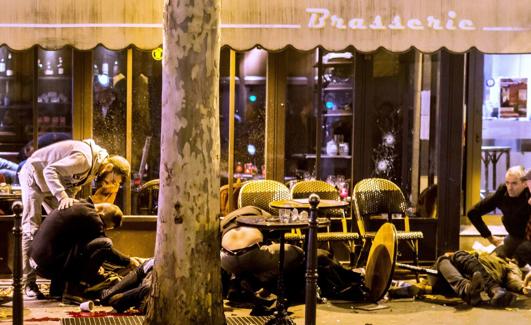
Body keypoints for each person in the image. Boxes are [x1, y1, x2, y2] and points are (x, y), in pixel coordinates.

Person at [19, 139, 130, 299]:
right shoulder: (84, 159)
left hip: (51, 184)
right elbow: (49, 171)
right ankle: (28, 283)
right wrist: (62, 197)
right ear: (109, 167)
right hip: (34, 177)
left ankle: (59, 284)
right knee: (31, 228)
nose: (109, 184)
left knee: (65, 225)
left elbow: (71, 186)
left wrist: (72, 213)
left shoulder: (94, 169)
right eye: (112, 180)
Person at [29, 201, 137, 303]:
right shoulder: (93, 218)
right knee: (106, 243)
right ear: (102, 213)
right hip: (47, 266)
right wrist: (128, 261)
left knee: (70, 244)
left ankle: (57, 291)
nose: (102, 229)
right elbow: (106, 250)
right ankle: (74, 291)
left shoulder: (80, 206)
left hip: (36, 262)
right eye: (105, 226)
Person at [467, 166, 531, 266]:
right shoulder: (502, 193)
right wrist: (489, 237)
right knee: (492, 260)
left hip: (528, 240)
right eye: (507, 182)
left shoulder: (529, 194)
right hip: (514, 237)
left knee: (518, 256)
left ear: (525, 184)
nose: (510, 187)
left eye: (514, 183)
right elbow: (473, 212)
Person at [429, 250, 530, 307]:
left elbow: (513, 280)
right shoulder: (486, 256)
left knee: (454, 256)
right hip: (441, 275)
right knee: (444, 259)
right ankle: (473, 290)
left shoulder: (509, 265)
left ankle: (471, 290)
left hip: (452, 285)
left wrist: (522, 288)